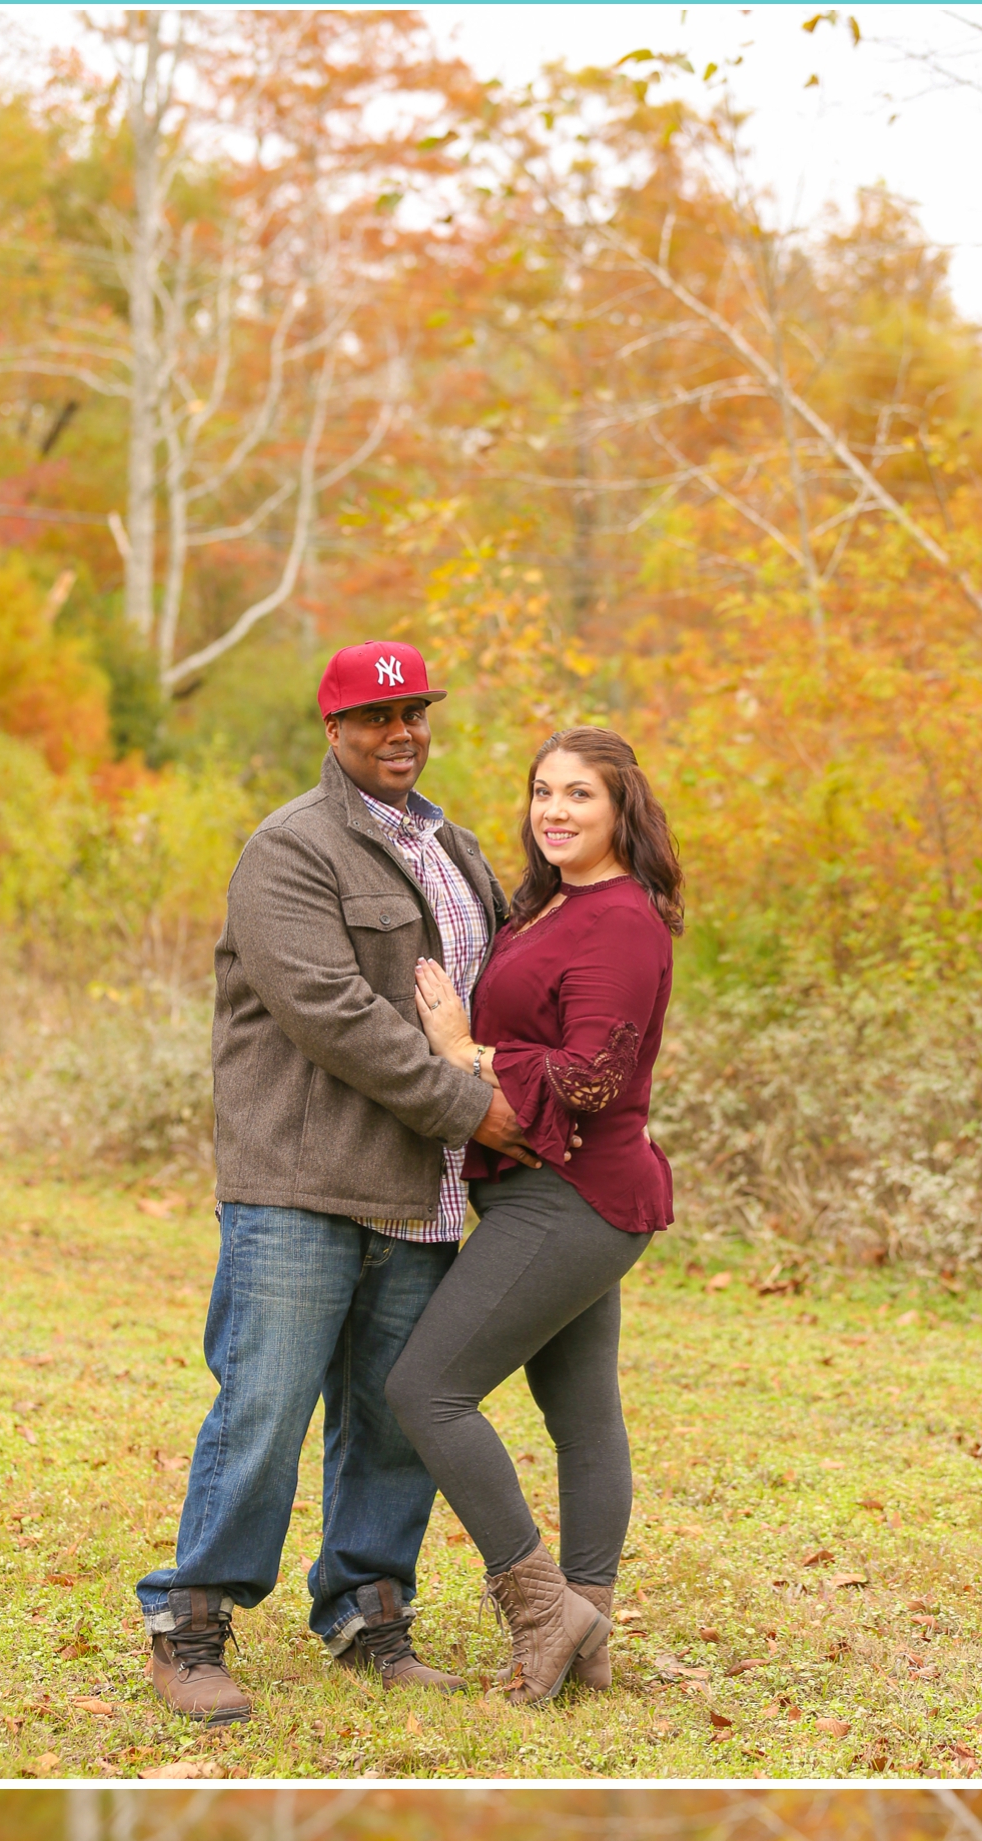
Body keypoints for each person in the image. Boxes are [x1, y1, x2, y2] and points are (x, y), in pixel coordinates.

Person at [135, 640, 539, 1725]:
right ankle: (192, 1626)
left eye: (414, 712)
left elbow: (489, 998)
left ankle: (367, 1615)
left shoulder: (454, 847)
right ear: (333, 730)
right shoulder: (291, 850)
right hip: (303, 1186)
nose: (400, 732)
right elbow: (335, 1016)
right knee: (263, 1408)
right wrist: (472, 1105)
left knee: (392, 1416)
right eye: (375, 717)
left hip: (425, 1187)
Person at [385, 728, 683, 1705]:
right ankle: (584, 1640)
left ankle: (544, 1611)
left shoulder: (623, 921)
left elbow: (593, 1078)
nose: (554, 811)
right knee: (582, 1411)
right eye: (542, 791)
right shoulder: (556, 901)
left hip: (575, 1194)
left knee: (426, 1387)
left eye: (580, 796)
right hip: (549, 1186)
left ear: (621, 809)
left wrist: (464, 1052)